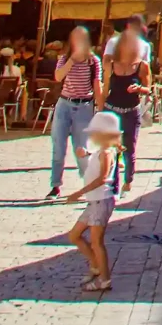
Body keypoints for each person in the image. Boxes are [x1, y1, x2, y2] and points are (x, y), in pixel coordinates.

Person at [64, 111, 124, 293]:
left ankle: (105, 279)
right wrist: (87, 154)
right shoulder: (102, 151)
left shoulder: (106, 152)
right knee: (74, 235)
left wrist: (79, 192)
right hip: (94, 202)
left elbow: (103, 177)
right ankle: (95, 265)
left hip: (101, 201)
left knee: (97, 242)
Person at [45, 26, 104, 201]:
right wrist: (71, 60)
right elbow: (57, 77)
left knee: (82, 149)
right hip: (65, 104)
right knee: (58, 146)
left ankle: (88, 185)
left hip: (84, 106)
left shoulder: (94, 61)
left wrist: (100, 109)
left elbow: (97, 85)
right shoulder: (64, 58)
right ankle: (55, 186)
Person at [105, 33, 151, 192]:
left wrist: (139, 89)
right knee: (112, 148)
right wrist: (99, 110)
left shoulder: (142, 65)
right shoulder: (111, 64)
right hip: (111, 110)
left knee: (129, 147)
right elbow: (105, 88)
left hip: (131, 110)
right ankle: (114, 182)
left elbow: (148, 89)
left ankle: (129, 179)